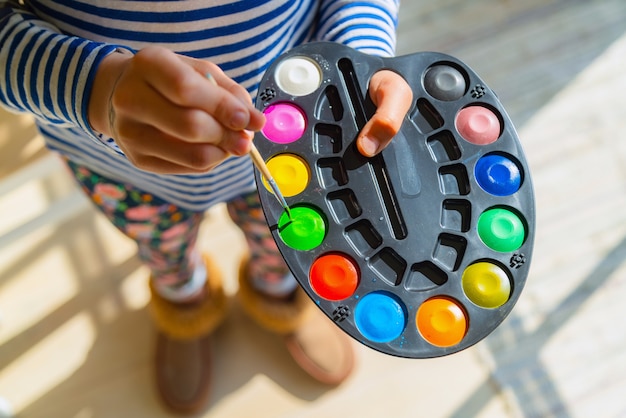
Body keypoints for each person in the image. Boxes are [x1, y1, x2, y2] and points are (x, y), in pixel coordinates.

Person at [0, 0, 413, 414]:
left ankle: (281, 295)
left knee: (290, 243)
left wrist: (359, 59)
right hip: (121, 169)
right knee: (163, 249)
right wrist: (97, 87)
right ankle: (185, 301)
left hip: (293, 155)